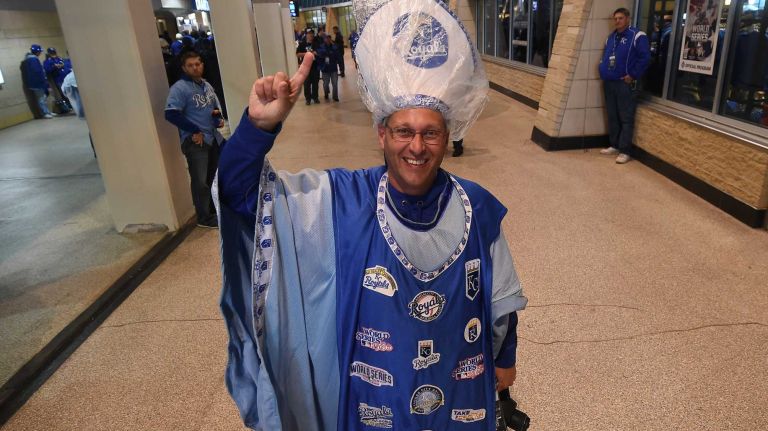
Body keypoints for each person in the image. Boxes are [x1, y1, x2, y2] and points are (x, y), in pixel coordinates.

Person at [215, 0, 526, 428]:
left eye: (430, 132)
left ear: (447, 134)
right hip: (369, 409)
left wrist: (505, 363)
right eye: (403, 130)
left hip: (461, 402)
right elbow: (240, 194)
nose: (416, 147)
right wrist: (258, 128)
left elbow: (501, 303)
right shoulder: (341, 200)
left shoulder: (479, 207)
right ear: (381, 132)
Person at [164, 51, 225, 228]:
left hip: (213, 138)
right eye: (190, 65)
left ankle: (213, 211)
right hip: (196, 142)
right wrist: (194, 130)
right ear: (184, 68)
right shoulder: (180, 88)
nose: (195, 67)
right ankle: (203, 217)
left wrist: (218, 119)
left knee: (212, 178)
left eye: (197, 64)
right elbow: (170, 114)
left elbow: (213, 108)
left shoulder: (206, 85)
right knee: (200, 181)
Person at [598, 7, 650, 164]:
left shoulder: (637, 36)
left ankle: (625, 150)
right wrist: (602, 68)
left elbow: (645, 58)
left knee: (626, 117)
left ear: (627, 19)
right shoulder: (611, 37)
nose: (617, 21)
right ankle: (614, 144)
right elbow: (606, 56)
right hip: (609, 83)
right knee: (612, 115)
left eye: (620, 18)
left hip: (624, 84)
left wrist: (633, 75)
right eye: (615, 19)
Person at [21, 44, 54, 119]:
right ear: (37, 52)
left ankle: (47, 112)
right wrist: (45, 82)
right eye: (40, 52)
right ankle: (45, 113)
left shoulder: (28, 59)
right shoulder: (33, 59)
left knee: (42, 98)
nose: (40, 53)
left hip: (34, 83)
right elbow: (38, 72)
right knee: (41, 99)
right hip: (37, 83)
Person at [296, 29, 320, 105]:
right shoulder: (302, 44)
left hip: (315, 66)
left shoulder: (316, 43)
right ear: (306, 35)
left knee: (315, 83)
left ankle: (315, 97)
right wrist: (307, 54)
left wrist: (316, 53)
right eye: (309, 34)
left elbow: (320, 52)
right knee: (307, 84)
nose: (310, 35)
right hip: (306, 67)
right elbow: (298, 54)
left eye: (312, 34)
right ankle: (308, 99)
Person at [317, 35, 341, 102]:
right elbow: (320, 54)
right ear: (324, 39)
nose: (327, 40)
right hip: (325, 69)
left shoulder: (334, 47)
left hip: (333, 68)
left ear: (330, 39)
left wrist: (339, 62)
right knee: (325, 84)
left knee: (335, 84)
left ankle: (335, 97)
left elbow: (338, 56)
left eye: (329, 38)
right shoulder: (321, 46)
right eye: (326, 38)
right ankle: (326, 93)